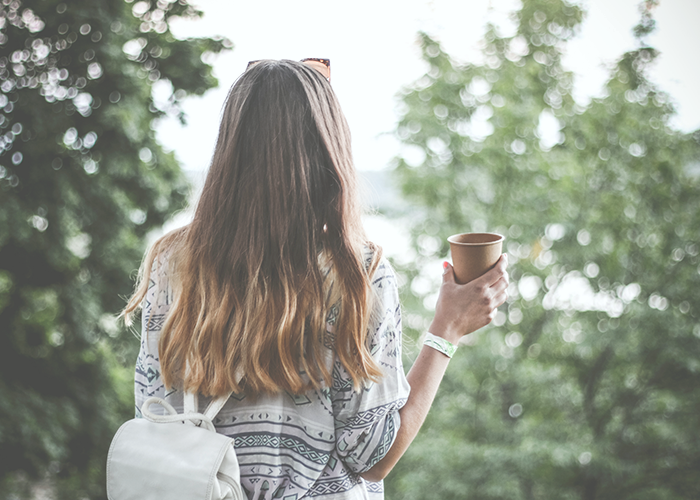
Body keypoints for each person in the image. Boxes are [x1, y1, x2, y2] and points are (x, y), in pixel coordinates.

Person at [122, 58, 508, 500]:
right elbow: (373, 458)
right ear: (329, 152)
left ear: (230, 148)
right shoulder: (355, 273)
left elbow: (154, 417)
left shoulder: (174, 262)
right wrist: (447, 329)